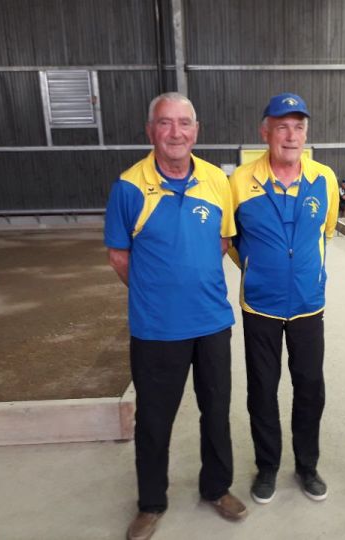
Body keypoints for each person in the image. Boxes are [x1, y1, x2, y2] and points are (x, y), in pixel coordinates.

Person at [104, 92, 247, 540]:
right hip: (156, 328)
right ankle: (151, 503)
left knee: (216, 412)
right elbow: (119, 256)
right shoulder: (128, 187)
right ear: (151, 131)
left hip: (212, 322)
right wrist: (156, 293)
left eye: (184, 123)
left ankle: (216, 488)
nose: (175, 132)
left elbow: (223, 241)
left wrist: (191, 281)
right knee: (154, 419)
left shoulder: (216, 180)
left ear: (196, 130)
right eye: (165, 123)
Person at [229, 93, 339, 505]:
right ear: (265, 132)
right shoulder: (240, 181)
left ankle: (307, 466)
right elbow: (232, 238)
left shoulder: (324, 178)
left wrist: (306, 270)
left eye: (298, 127)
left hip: (309, 304)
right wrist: (258, 267)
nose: (291, 136)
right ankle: (267, 466)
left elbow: (327, 230)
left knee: (310, 387)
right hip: (261, 304)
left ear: (306, 134)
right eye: (282, 127)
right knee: (262, 388)